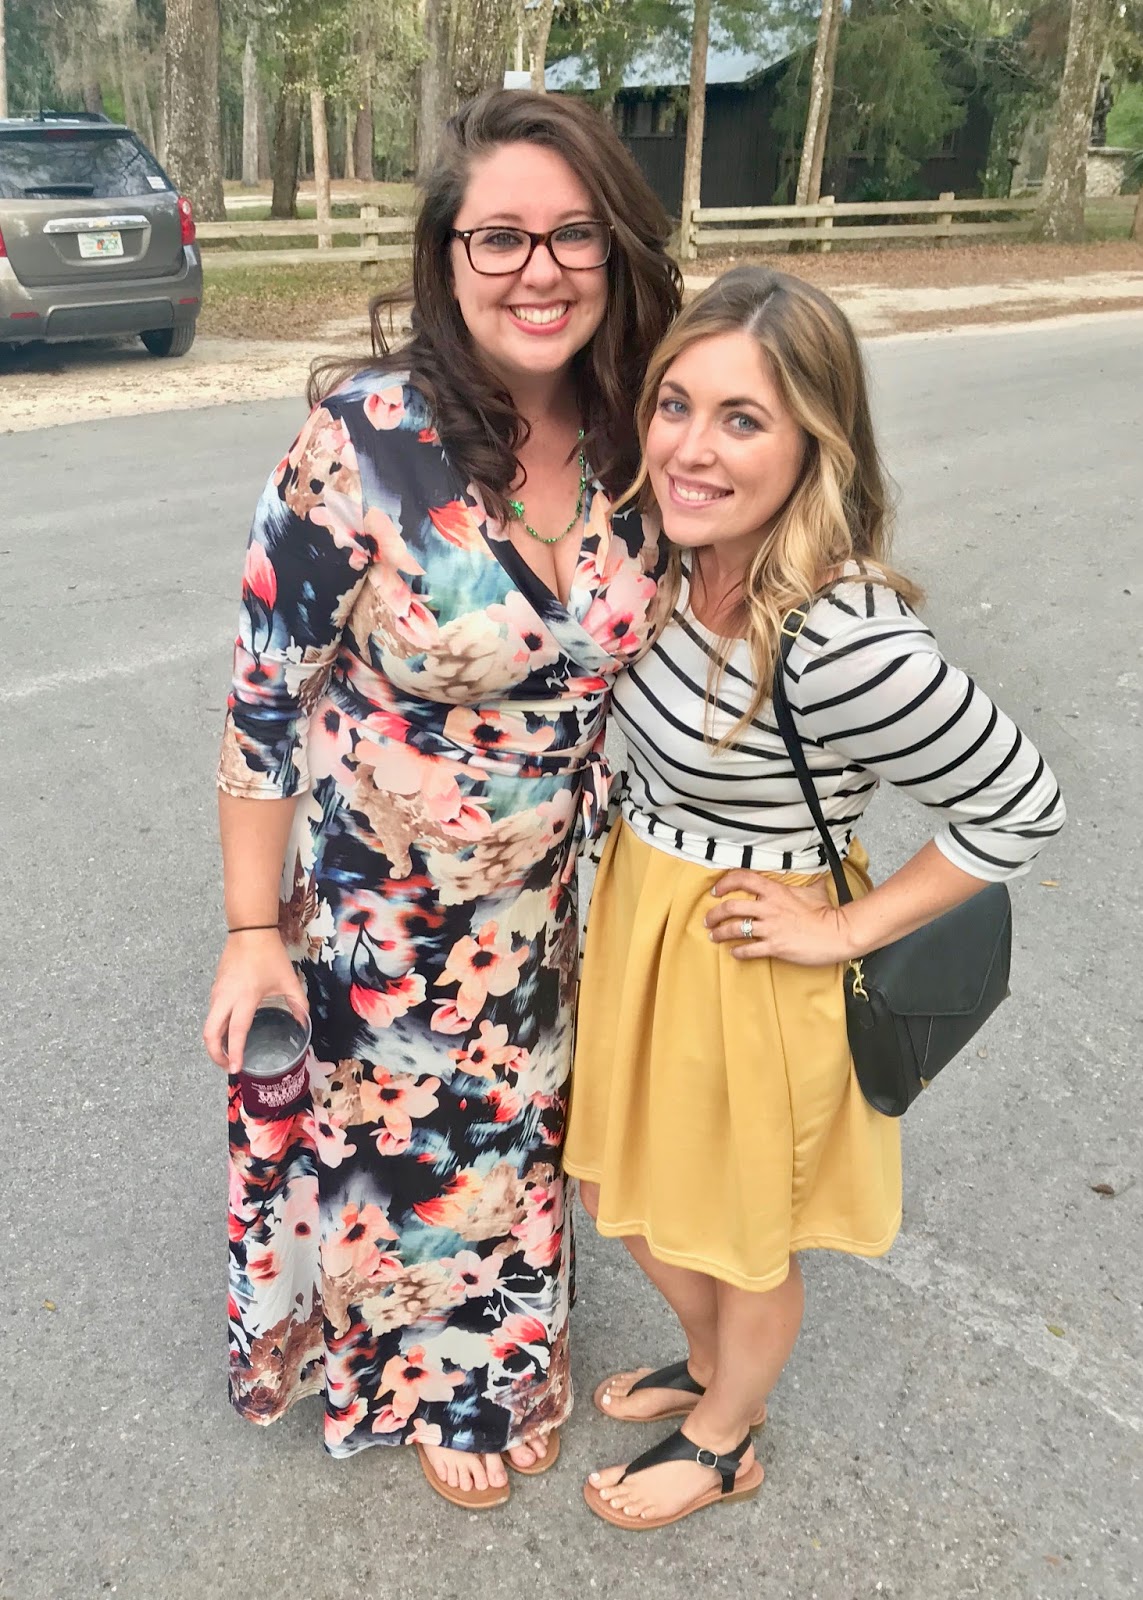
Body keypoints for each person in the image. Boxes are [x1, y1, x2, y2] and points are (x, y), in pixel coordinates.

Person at [202, 88, 681, 1509]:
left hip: (552, 900)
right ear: (448, 255)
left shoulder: (643, 431)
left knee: (519, 1140)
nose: (541, 270)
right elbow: (262, 695)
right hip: (383, 910)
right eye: (501, 237)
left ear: (616, 249)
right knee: (406, 1153)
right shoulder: (366, 438)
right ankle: (423, 1383)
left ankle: (503, 1358)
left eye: (574, 234)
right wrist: (249, 930)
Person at [565, 266, 1066, 1530]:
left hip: (751, 952)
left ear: (813, 446)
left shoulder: (845, 641)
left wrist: (842, 925)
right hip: (645, 921)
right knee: (617, 1183)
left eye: (743, 419)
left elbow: (1022, 803)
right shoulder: (668, 561)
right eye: (676, 405)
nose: (691, 448)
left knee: (743, 1231)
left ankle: (725, 1434)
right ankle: (711, 1365)